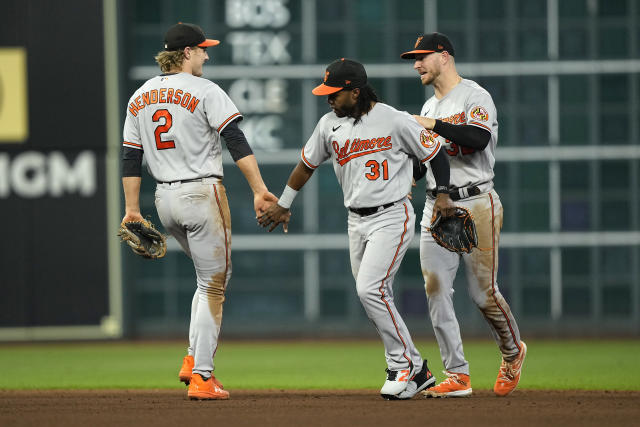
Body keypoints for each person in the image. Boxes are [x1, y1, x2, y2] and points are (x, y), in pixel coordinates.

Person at [258, 58, 456, 400]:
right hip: (356, 220)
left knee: (370, 290)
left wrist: (442, 194)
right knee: (374, 296)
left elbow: (435, 152)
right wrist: (285, 203)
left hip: (392, 215)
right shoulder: (327, 125)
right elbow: (305, 166)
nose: (328, 99)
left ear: (355, 91)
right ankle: (418, 370)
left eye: (335, 93)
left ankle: (402, 366)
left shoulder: (394, 119)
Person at [121, 22, 277, 400]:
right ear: (186, 52)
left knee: (206, 278)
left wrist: (131, 209)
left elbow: (131, 156)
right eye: (203, 49)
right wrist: (259, 190)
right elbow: (236, 140)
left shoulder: (140, 95)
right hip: (201, 193)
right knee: (214, 283)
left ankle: (193, 359)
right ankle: (203, 377)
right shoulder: (205, 90)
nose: (207, 55)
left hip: (164, 200)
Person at [400, 32, 527, 397]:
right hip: (436, 204)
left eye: (422, 57)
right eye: (414, 59)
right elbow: (427, 161)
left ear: (444, 56)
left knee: (483, 294)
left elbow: (477, 140)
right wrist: (408, 174)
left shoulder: (474, 95)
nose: (417, 64)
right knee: (435, 289)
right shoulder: (428, 107)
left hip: (476, 201)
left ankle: (512, 351)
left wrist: (432, 127)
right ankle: (457, 374)